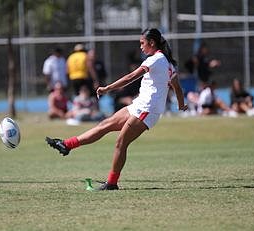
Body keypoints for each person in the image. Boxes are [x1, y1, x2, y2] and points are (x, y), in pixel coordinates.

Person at [46, 28, 188, 190]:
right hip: (138, 105)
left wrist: (108, 88)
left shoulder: (154, 60)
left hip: (147, 110)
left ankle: (112, 183)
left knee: (121, 142)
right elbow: (177, 87)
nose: (141, 47)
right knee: (104, 125)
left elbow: (130, 77)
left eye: (142, 43)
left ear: (152, 43)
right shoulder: (167, 63)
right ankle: (67, 145)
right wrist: (181, 104)